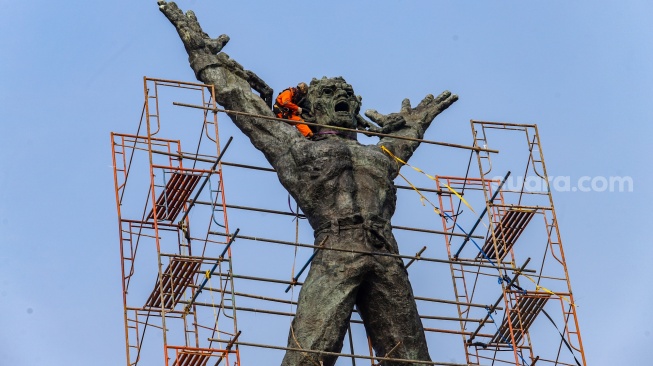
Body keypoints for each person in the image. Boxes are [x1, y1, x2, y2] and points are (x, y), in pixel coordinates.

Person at [159, 3, 458, 364]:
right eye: (330, 94)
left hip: (385, 253)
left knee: (412, 359)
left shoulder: (379, 155)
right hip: (336, 248)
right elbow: (239, 98)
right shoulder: (294, 146)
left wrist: (415, 122)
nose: (341, 96)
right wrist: (202, 54)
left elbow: (405, 139)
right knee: (308, 356)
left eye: (346, 94)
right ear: (311, 110)